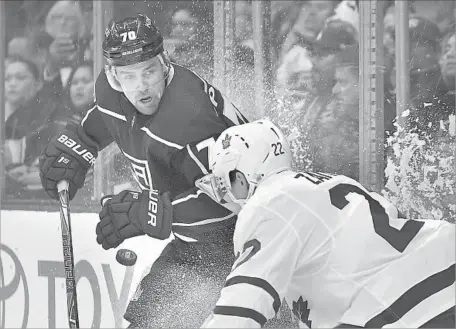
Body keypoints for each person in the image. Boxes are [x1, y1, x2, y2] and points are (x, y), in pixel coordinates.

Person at [38, 13, 249, 327]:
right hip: (191, 247)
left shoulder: (189, 114)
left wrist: (149, 211)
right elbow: (109, 116)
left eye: (149, 70)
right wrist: (83, 142)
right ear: (112, 76)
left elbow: (230, 199)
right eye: (128, 76)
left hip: (242, 244)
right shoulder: (109, 91)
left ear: (164, 62)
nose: (142, 86)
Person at [200, 119, 455, 328]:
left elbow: (242, 307)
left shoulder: (267, 203)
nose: (224, 195)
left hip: (404, 307)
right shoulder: (327, 183)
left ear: (243, 176)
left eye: (224, 183)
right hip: (443, 262)